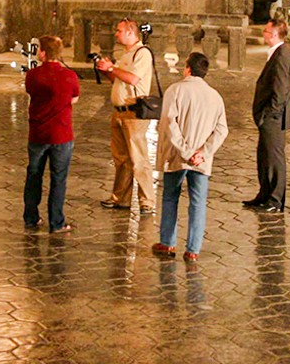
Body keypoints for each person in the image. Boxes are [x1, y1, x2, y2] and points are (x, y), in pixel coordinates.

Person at [152, 52, 229, 262]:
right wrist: (202, 153)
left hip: (176, 156)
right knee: (198, 202)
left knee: (170, 197)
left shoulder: (175, 90)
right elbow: (222, 130)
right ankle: (193, 249)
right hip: (201, 162)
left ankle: (167, 243)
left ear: (187, 68)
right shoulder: (215, 96)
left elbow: (169, 123)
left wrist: (186, 152)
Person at [96, 19, 157, 214]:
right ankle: (120, 198)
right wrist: (107, 71)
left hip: (133, 113)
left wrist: (112, 68)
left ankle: (147, 201)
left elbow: (133, 79)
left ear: (131, 32)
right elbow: (120, 80)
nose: (116, 34)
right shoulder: (127, 54)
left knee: (138, 159)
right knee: (121, 159)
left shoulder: (143, 53)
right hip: (119, 112)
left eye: (119, 30)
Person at [23, 35, 78, 233]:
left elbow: (31, 93)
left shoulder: (33, 75)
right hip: (61, 134)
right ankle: (57, 222)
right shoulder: (69, 76)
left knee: (34, 175)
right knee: (58, 179)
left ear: (43, 53)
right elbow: (74, 98)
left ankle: (31, 217)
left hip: (38, 134)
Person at [244, 17, 290, 213]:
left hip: (273, 118)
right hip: (268, 118)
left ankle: (274, 199)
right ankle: (264, 193)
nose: (264, 34)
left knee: (274, 158)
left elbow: (281, 90)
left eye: (266, 31)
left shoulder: (282, 56)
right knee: (264, 155)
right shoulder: (276, 53)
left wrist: (269, 115)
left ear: (274, 35)